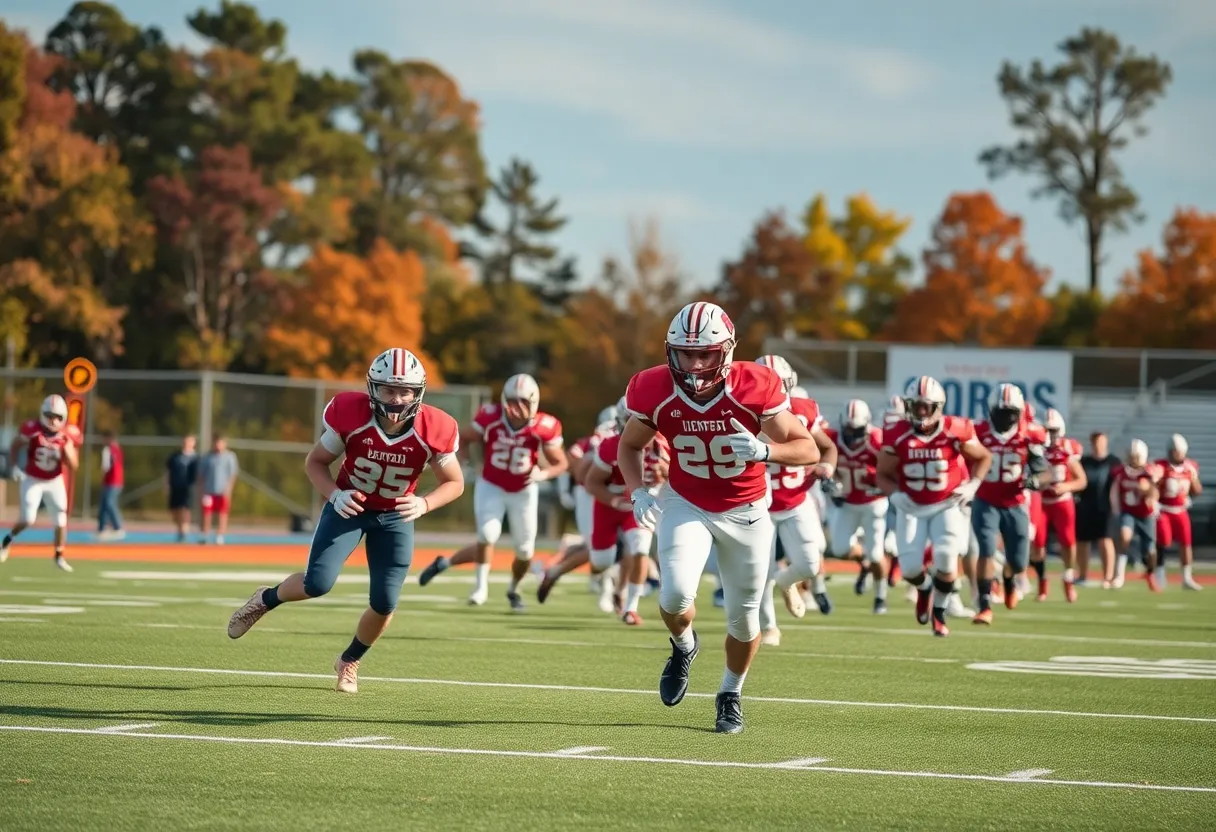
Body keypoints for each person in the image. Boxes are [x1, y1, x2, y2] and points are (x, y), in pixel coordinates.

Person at [618, 301, 820, 734]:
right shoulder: (653, 388)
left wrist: (767, 451)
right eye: (685, 353)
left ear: (726, 350)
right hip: (685, 501)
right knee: (673, 598)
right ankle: (683, 645)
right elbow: (629, 445)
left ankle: (730, 692)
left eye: (704, 353)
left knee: (745, 618)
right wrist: (637, 491)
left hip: (747, 509)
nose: (693, 363)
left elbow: (808, 448)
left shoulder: (755, 385)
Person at [227, 348, 464, 693]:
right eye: (387, 389)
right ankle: (266, 599)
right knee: (317, 583)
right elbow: (315, 462)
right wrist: (334, 494)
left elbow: (454, 482)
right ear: (373, 389)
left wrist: (425, 504)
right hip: (348, 508)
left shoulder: (434, 428)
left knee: (384, 603)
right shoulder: (351, 414)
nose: (396, 399)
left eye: (404, 391)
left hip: (395, 517)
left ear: (418, 392)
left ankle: (349, 661)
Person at [417, 373, 568, 611]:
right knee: (487, 535)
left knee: (525, 550)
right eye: (512, 400)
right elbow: (464, 439)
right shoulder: (491, 416)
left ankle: (514, 589)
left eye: (523, 402)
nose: (517, 408)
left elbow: (561, 462)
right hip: (492, 485)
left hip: (524, 491)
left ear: (534, 402)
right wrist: (467, 463)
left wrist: (543, 474)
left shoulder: (545, 426)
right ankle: (480, 587)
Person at [877, 376, 992, 638]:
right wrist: (894, 494)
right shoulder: (897, 432)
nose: (919, 412)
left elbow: (984, 456)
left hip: (947, 503)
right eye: (915, 405)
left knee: (946, 556)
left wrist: (973, 484)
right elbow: (881, 473)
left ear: (937, 406)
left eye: (925, 406)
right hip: (911, 504)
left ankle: (939, 612)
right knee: (909, 570)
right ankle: (924, 588)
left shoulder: (956, 429)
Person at [970, 384, 1049, 625]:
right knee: (986, 549)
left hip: (1016, 503)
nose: (1006, 418)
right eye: (1002, 412)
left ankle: (1007, 580)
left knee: (1018, 562)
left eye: (1011, 413)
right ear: (992, 410)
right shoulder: (978, 431)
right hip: (986, 500)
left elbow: (1044, 471)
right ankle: (984, 604)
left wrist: (1036, 479)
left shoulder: (1030, 434)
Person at [0, 394, 80, 571]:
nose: (52, 421)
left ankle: (59, 555)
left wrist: (67, 450)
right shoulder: (32, 429)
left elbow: (74, 466)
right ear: (43, 414)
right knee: (28, 519)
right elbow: (15, 445)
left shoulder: (67, 435)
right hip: (33, 478)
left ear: (63, 418)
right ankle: (7, 539)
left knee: (61, 519)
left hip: (54, 480)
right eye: (49, 416)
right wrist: (14, 466)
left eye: (57, 417)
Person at [1110, 439, 1162, 591]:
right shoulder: (1121, 472)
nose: (1133, 459)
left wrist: (1149, 492)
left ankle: (1150, 574)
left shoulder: (1149, 471)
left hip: (1146, 514)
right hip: (1129, 512)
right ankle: (1119, 576)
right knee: (1124, 538)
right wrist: (1116, 509)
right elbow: (1114, 491)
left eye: (1136, 456)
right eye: (1132, 456)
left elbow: (1156, 492)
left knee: (1150, 550)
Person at [1154, 434, 1202, 591]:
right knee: (1163, 542)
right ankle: (1160, 573)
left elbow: (1197, 491)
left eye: (1179, 451)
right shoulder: (1161, 466)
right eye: (1174, 450)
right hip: (1164, 509)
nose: (1177, 453)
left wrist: (1194, 480)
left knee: (1186, 544)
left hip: (1180, 510)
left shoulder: (1190, 467)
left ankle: (1187, 577)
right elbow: (1154, 486)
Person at [1076, 432, 1120, 588]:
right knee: (1082, 541)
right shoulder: (1085, 461)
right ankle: (1082, 575)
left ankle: (1107, 577)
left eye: (1101, 442)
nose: (1098, 445)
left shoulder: (1113, 462)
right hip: (1086, 506)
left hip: (1105, 507)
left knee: (1105, 540)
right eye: (1095, 442)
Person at [198, 434, 239, 544]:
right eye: (216, 443)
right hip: (208, 491)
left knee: (222, 513)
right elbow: (201, 475)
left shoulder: (230, 456)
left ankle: (220, 535)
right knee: (206, 514)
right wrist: (202, 490)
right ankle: (205, 534)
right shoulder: (207, 457)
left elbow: (232, 475)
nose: (218, 445)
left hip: (222, 491)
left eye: (220, 443)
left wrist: (229, 489)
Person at [165, 435, 199, 542]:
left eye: (189, 442)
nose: (186, 444)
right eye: (185, 442)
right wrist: (166, 485)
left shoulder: (196, 458)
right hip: (175, 486)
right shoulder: (175, 457)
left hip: (189, 487)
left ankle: (184, 531)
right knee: (175, 510)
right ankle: (180, 528)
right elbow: (167, 472)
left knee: (185, 509)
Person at [97, 429, 125, 539]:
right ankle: (101, 528)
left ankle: (117, 527)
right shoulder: (118, 449)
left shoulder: (108, 450)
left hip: (111, 481)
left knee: (109, 503)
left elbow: (105, 466)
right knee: (104, 504)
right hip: (117, 481)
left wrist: (102, 477)